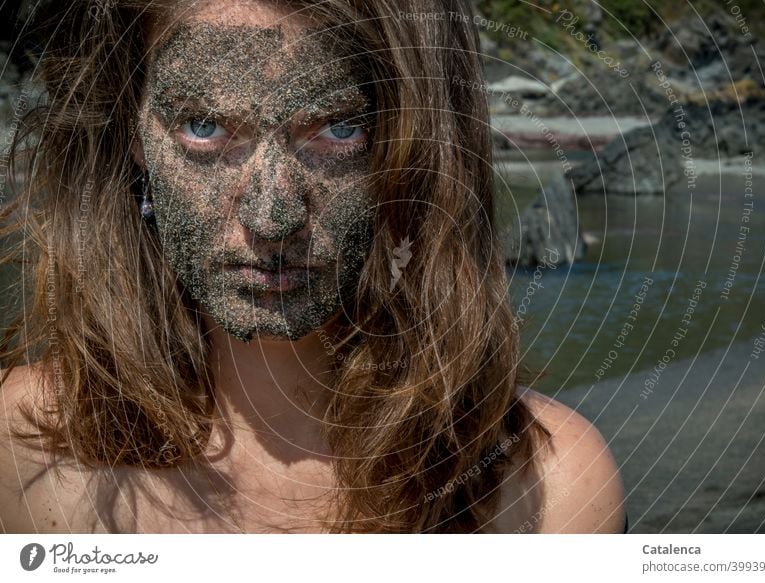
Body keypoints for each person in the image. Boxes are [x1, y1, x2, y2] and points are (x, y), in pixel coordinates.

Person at [0, 0, 625, 533]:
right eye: (205, 126)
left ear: (410, 144)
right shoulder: (24, 445)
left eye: (337, 128)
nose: (272, 218)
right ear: (132, 132)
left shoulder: (546, 490)